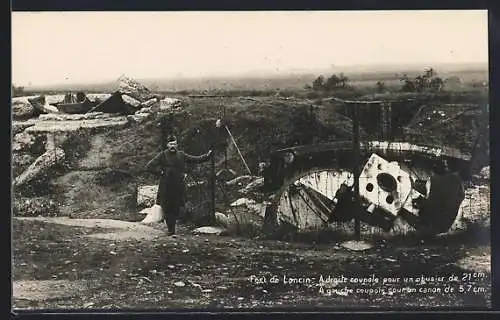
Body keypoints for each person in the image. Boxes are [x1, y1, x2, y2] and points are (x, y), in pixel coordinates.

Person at [146, 135, 212, 236]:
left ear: (177, 145)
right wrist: (161, 173)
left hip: (178, 185)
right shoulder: (162, 155)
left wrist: (207, 156)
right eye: (171, 144)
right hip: (166, 186)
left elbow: (195, 159)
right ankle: (170, 229)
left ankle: (173, 227)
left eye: (174, 144)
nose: (172, 146)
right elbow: (149, 166)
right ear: (167, 145)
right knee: (167, 207)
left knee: (176, 207)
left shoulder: (181, 155)